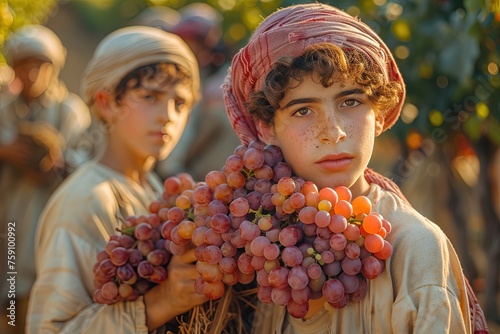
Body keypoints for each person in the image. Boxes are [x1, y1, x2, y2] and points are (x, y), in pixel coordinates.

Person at [221, 3, 488, 333]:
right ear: (266, 128)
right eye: (303, 110)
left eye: (350, 102)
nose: (333, 133)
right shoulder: (257, 242)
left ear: (378, 114)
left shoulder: (415, 250)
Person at [26, 26, 207, 333]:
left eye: (180, 103)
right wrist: (162, 303)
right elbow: (50, 328)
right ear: (107, 103)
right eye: (149, 96)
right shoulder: (88, 199)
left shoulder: (156, 189)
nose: (167, 116)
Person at [0, 25, 92, 333]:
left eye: (40, 65)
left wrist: (57, 160)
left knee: (44, 292)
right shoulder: (3, 111)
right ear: (14, 68)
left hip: (52, 219)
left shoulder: (71, 112)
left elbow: (87, 164)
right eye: (25, 65)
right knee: (9, 286)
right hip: (10, 217)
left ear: (54, 67)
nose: (33, 73)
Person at [155, 2, 240, 181]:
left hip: (188, 173)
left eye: (195, 45)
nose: (189, 50)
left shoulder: (214, 83)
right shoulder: (168, 72)